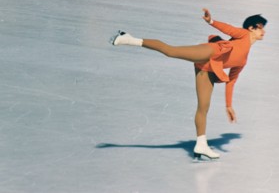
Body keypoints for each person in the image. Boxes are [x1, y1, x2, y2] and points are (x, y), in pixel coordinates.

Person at [110, 8, 267, 159]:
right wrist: (210, 20)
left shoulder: (244, 60)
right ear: (251, 28)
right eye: (261, 28)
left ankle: (201, 144)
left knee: (203, 107)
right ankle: (128, 39)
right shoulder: (244, 35)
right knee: (171, 51)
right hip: (211, 51)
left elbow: (231, 81)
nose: (263, 31)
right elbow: (229, 29)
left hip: (208, 69)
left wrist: (228, 105)